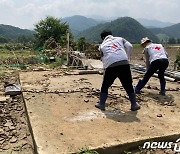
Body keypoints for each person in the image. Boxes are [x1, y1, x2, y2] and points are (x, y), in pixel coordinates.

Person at [95, 30, 140, 111]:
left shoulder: (102, 46)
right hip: (124, 63)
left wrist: (105, 70)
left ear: (103, 38)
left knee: (105, 85)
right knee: (128, 84)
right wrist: (128, 58)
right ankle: (134, 104)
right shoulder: (120, 39)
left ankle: (101, 104)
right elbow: (130, 46)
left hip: (111, 65)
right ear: (111, 35)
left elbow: (103, 59)